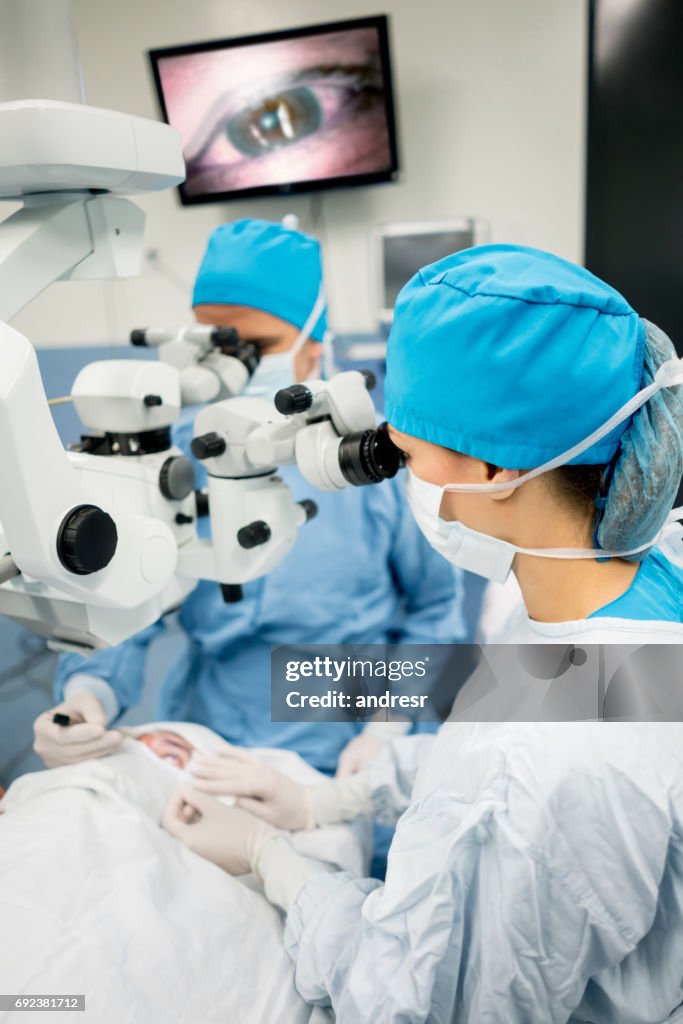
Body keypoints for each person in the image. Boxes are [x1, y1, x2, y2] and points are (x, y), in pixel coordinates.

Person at [163, 245, 683, 1023]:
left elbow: (418, 1002)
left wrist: (270, 861)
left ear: (488, 470)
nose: (394, 468)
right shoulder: (622, 590)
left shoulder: (533, 772)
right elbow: (524, 716)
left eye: (402, 451)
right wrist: (333, 797)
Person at [34, 219, 463, 850]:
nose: (225, 374)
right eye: (210, 348)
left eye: (252, 349)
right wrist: (89, 695)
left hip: (336, 734)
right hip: (208, 729)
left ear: (313, 348)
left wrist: (387, 727)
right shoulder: (172, 457)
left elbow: (433, 608)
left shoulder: (377, 465)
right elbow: (129, 595)